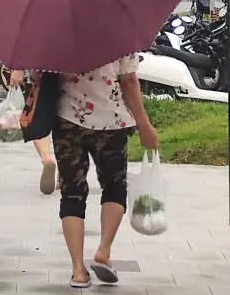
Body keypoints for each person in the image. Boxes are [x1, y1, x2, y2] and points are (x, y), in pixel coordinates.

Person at [50, 54, 158, 289]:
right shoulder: (121, 31)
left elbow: (42, 72)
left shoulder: (58, 30)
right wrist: (144, 125)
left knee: (72, 193)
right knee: (114, 187)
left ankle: (78, 271)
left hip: (67, 120)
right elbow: (129, 81)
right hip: (111, 122)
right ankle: (103, 250)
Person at [9, 70, 57, 195]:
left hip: (41, 75)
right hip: (74, 79)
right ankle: (65, 172)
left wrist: (19, 69)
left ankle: (47, 158)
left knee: (38, 121)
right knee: (66, 124)